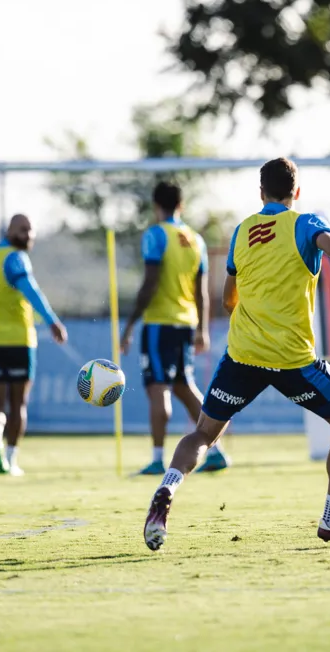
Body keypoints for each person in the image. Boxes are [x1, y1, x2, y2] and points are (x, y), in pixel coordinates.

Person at [142, 157, 330, 551]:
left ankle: (168, 488)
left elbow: (228, 298)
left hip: (242, 356)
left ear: (260, 193)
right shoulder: (305, 224)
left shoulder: (243, 231)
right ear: (297, 192)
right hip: (293, 360)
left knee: (204, 433)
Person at [119, 181, 229, 475]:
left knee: (159, 388)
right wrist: (202, 329)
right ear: (180, 205)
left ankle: (157, 458)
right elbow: (201, 292)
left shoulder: (156, 235)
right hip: (186, 322)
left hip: (159, 323)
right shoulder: (195, 239)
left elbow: (150, 283)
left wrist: (130, 325)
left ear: (156, 206)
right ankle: (216, 450)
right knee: (183, 385)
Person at [0, 214, 67, 475]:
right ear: (10, 230)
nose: (28, 235)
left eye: (31, 231)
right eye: (23, 230)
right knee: (18, 404)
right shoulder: (16, 258)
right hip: (20, 341)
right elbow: (31, 291)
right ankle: (11, 458)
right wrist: (52, 321)